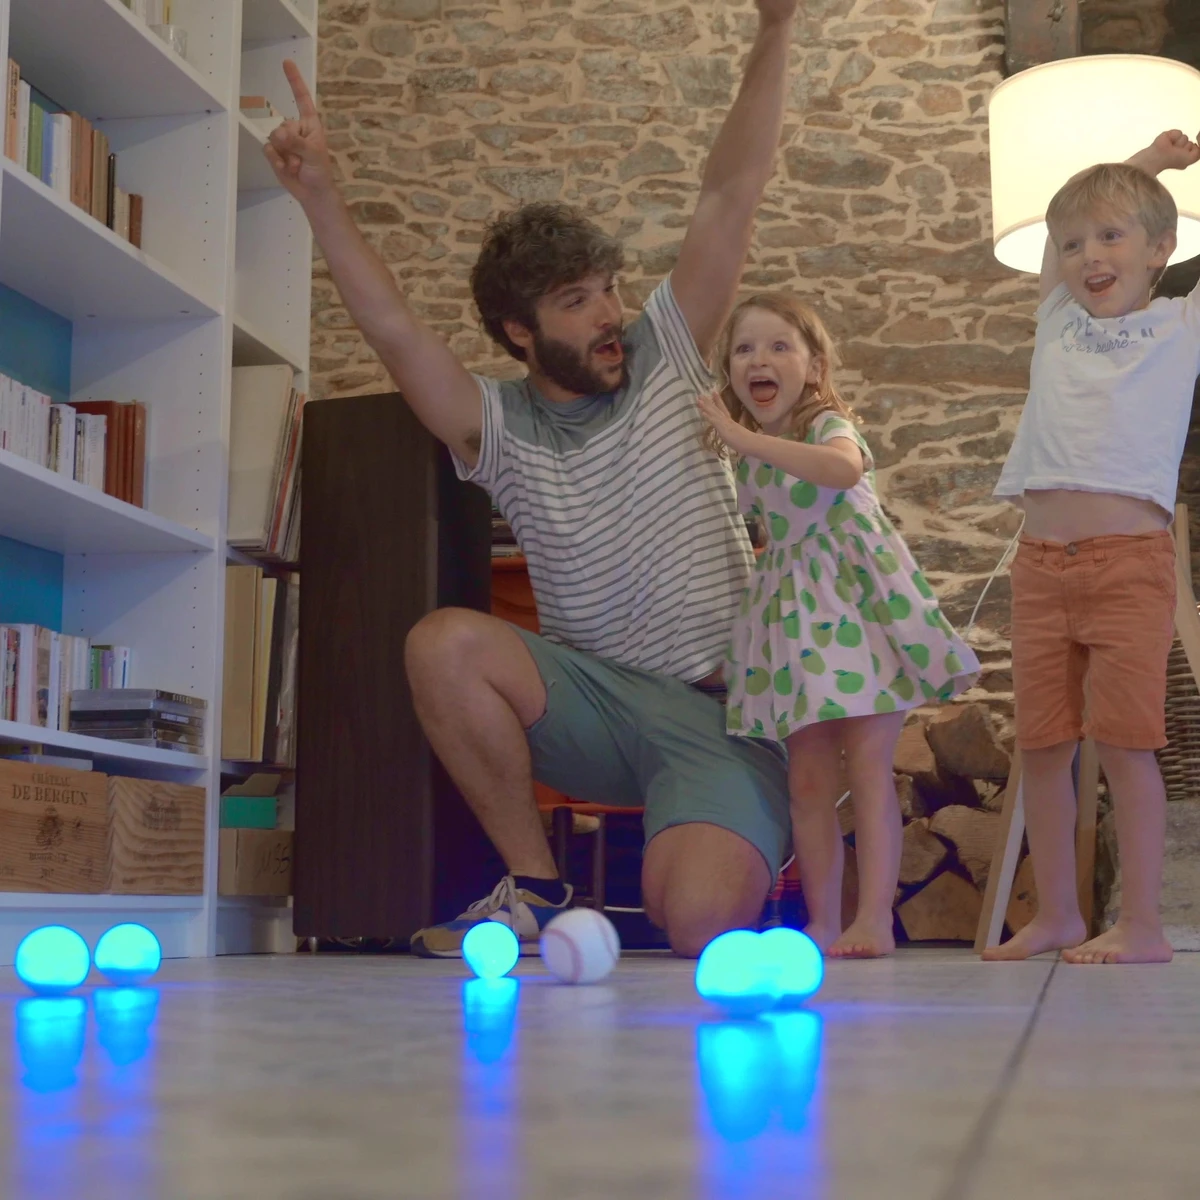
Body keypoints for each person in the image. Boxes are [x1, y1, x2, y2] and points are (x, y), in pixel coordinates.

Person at [264, 0, 801, 958]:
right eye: (575, 300)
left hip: (725, 712)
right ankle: (540, 887)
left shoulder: (668, 347)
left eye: (607, 288)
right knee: (444, 643)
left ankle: (729, 841)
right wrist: (321, 201)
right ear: (520, 332)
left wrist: (775, 27)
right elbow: (392, 331)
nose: (608, 315)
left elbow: (731, 193)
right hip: (593, 702)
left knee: (697, 929)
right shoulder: (497, 424)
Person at [699, 294, 979, 958]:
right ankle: (823, 919)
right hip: (793, 624)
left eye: (778, 347)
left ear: (814, 365)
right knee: (807, 781)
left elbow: (844, 469)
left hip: (860, 614)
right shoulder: (749, 455)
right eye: (744, 349)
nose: (759, 360)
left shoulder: (827, 423)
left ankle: (874, 918)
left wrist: (742, 437)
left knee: (874, 766)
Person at [983, 129, 1200, 964]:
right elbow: (1064, 227)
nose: (1087, 256)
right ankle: (1059, 914)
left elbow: (1125, 222)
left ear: (1161, 250)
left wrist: (1152, 185)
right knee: (1041, 742)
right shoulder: (1057, 318)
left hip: (1129, 566)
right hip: (1041, 567)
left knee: (1126, 744)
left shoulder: (1179, 325)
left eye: (1112, 238)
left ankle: (1142, 924)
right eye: (1074, 244)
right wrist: (1145, 159)